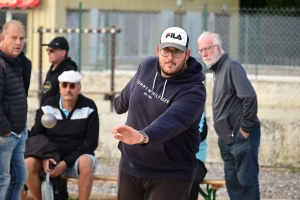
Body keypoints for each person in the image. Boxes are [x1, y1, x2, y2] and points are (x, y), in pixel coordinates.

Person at [111, 27, 206, 200]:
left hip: (170, 174)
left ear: (187, 54)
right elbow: (131, 91)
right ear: (158, 50)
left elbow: (170, 121)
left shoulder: (194, 91)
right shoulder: (147, 66)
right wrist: (118, 104)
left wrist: (142, 136)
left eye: (177, 52)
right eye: (166, 51)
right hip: (130, 166)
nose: (170, 57)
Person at [197, 31, 261, 200]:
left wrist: (244, 131)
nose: (204, 53)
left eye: (207, 48)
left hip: (241, 137)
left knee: (247, 186)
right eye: (201, 50)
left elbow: (249, 97)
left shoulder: (231, 66)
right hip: (227, 140)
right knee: (234, 186)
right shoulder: (218, 70)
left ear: (218, 48)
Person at [24, 70, 99, 200]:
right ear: (60, 88)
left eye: (72, 85)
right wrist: (44, 156)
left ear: (79, 88)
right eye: (64, 85)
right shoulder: (47, 106)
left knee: (86, 162)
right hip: (50, 157)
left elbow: (91, 142)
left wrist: (66, 162)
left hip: (76, 158)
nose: (68, 89)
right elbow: (36, 136)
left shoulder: (89, 107)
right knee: (27, 163)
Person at [0, 20, 28, 200]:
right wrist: (5, 130)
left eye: (22, 38)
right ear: (2, 38)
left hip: (18, 134)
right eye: (14, 38)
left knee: (19, 177)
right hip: (5, 136)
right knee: (3, 180)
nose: (18, 42)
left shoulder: (14, 62)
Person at [40, 36, 78, 105]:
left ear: (63, 53)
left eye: (51, 50)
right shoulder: (52, 70)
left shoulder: (68, 71)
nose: (48, 53)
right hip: (46, 113)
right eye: (47, 50)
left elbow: (69, 97)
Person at [189, 112, 208, 200]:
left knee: (191, 180)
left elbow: (199, 135)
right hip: (171, 160)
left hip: (196, 161)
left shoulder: (198, 110)